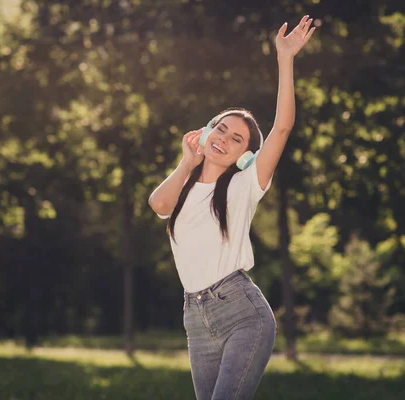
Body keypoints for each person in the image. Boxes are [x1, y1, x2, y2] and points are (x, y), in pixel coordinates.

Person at [148, 15, 315, 400]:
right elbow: (158, 203)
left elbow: (282, 128)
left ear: (245, 156)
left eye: (237, 139)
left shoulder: (243, 187)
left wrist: (285, 59)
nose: (225, 139)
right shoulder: (184, 187)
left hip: (243, 314)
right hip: (195, 317)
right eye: (221, 128)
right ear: (207, 131)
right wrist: (186, 162)